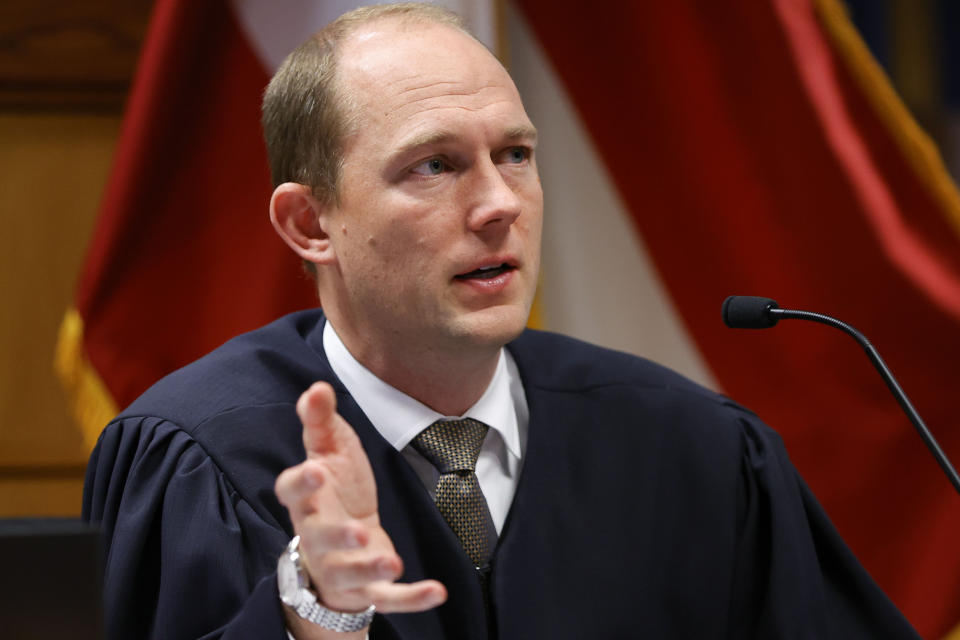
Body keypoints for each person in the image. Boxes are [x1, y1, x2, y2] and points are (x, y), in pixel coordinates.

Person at [83, 4, 921, 639]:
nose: (497, 205)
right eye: (435, 165)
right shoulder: (199, 461)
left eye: (515, 154)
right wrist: (312, 611)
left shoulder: (696, 451)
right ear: (310, 224)